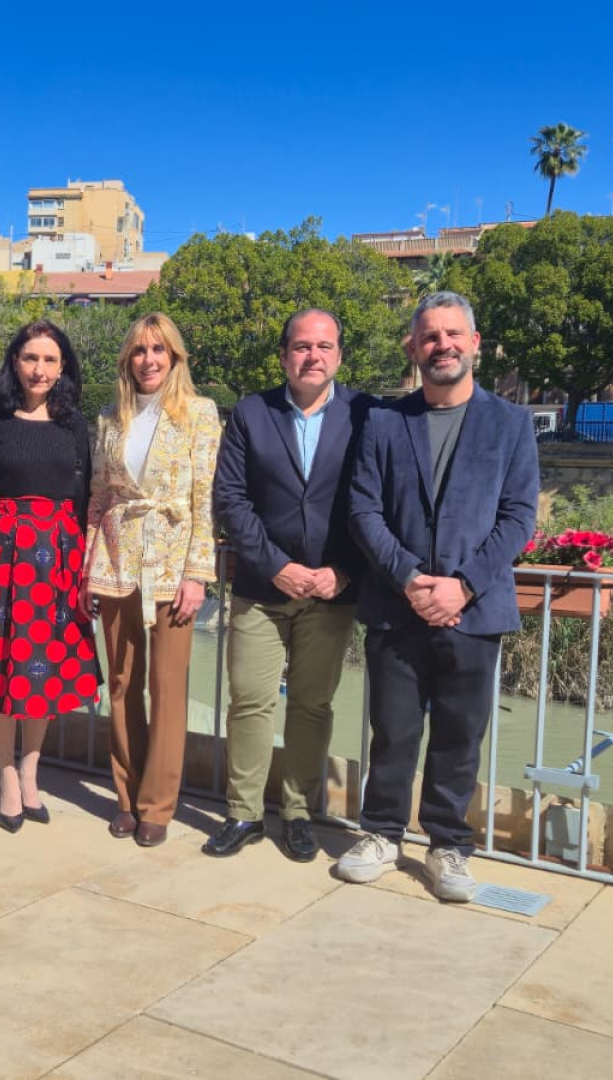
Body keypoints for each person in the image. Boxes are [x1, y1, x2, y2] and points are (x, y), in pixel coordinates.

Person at [338, 291, 539, 901]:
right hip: (397, 606)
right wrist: (406, 576)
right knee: (393, 731)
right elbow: (363, 509)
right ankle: (380, 833)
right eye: (429, 336)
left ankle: (448, 845)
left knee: (459, 735)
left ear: (475, 344)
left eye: (453, 334)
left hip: (474, 611)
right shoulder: (382, 421)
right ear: (414, 348)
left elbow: (519, 516)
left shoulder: (511, 423)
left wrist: (464, 584)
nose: (442, 345)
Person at [206, 309, 371, 861]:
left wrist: (343, 569)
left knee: (312, 705)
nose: (313, 356)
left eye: (325, 346)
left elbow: (374, 502)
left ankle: (299, 813)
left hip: (331, 590)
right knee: (249, 701)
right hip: (262, 587)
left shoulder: (367, 415)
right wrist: (276, 564)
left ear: (339, 356)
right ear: (283, 356)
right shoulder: (254, 412)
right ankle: (245, 813)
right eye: (302, 346)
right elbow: (230, 498)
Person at [0, 321, 100, 833]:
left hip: (58, 561)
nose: (39, 369)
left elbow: (83, 504)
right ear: (14, 362)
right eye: (30, 358)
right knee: (1, 670)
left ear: (63, 368)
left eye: (50, 360)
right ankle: (5, 774)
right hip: (1, 558)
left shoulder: (74, 425)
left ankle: (31, 769)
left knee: (42, 668)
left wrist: (85, 567)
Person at [82, 313, 221, 848]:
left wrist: (197, 574)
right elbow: (99, 496)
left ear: (175, 358)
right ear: (127, 358)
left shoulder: (199, 414)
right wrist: (90, 567)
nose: (149, 360)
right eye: (140, 350)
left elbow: (205, 499)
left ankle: (157, 803)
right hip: (117, 561)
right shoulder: (109, 418)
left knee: (166, 687)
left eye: (159, 350)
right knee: (120, 684)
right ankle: (125, 795)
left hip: (171, 565)